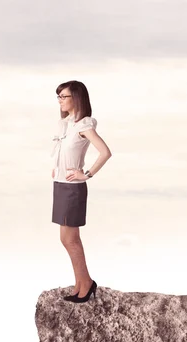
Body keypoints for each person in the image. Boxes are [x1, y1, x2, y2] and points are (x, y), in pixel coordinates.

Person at [50, 80, 112, 303]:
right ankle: (80, 282)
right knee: (65, 239)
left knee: (71, 239)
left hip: (72, 188)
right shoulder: (66, 124)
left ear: (76, 98)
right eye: (58, 96)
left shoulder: (84, 125)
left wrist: (86, 173)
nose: (60, 100)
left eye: (63, 96)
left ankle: (86, 283)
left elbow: (105, 152)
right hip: (60, 185)